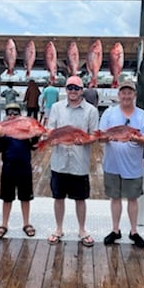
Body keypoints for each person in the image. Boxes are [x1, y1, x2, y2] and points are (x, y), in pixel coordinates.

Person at [46, 76, 99, 247]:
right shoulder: (56, 107)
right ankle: (58, 228)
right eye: (70, 88)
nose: (73, 91)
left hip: (79, 162)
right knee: (58, 197)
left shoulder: (91, 110)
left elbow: (94, 135)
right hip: (59, 161)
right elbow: (50, 129)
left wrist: (85, 141)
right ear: (65, 90)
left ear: (82, 90)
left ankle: (82, 229)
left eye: (76, 88)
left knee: (80, 198)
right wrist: (51, 139)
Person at [100, 81, 144, 248]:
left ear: (134, 95)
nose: (126, 96)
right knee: (114, 197)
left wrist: (136, 138)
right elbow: (101, 136)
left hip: (133, 166)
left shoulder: (142, 115)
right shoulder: (109, 113)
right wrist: (108, 137)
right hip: (112, 164)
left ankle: (134, 231)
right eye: (124, 93)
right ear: (119, 95)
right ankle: (115, 230)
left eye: (130, 93)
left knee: (133, 199)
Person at [0, 103, 38, 239]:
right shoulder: (3, 129)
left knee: (26, 197)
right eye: (9, 113)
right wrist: (0, 137)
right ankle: (4, 224)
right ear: (6, 115)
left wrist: (35, 136)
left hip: (24, 166)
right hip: (8, 166)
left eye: (15, 113)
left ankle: (26, 223)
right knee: (7, 197)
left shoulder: (26, 127)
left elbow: (34, 147)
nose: (12, 116)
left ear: (20, 115)